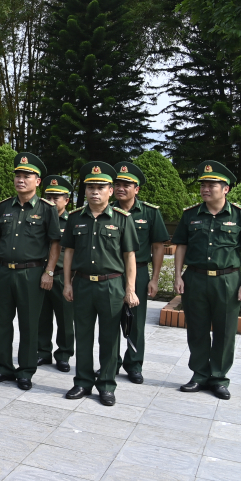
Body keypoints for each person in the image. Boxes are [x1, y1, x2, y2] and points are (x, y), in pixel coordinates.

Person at [173, 160, 241, 400]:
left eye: (212, 184)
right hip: (196, 279)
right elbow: (181, 246)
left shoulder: (240, 216)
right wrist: (177, 275)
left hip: (228, 281)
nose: (205, 189)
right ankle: (199, 375)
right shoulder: (190, 215)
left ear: (226, 189)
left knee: (224, 331)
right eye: (203, 185)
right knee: (197, 330)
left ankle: (219, 378)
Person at [62, 162, 139, 406]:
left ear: (110, 191)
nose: (95, 192)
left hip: (111, 286)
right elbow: (69, 254)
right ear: (84, 191)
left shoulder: (122, 219)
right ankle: (83, 382)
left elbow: (129, 256)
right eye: (90, 187)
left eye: (101, 187)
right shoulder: (75, 219)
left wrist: (130, 289)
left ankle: (106, 384)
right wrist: (66, 283)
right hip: (83, 284)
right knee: (82, 336)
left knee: (109, 338)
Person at [0, 152, 61, 391]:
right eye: (18, 175)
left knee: (29, 324)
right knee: (2, 322)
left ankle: (26, 371)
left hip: (32, 273)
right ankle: (3, 367)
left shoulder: (47, 208)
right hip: (4, 271)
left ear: (37, 181)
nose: (21, 179)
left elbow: (55, 243)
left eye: (27, 176)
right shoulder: (4, 207)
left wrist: (49, 272)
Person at [110, 161, 169, 384]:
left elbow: (157, 246)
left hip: (141, 272)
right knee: (110, 319)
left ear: (137, 189)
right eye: (117, 184)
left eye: (127, 184)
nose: (121, 188)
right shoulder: (108, 211)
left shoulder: (150, 213)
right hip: (112, 274)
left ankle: (134, 364)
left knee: (136, 320)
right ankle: (111, 363)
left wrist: (154, 279)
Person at [37, 175, 74, 373]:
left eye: (56, 198)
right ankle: (42, 351)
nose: (51, 201)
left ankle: (64, 354)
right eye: (48, 197)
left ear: (66, 200)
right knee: (41, 317)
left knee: (65, 318)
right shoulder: (39, 219)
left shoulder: (73, 220)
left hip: (62, 276)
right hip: (40, 274)